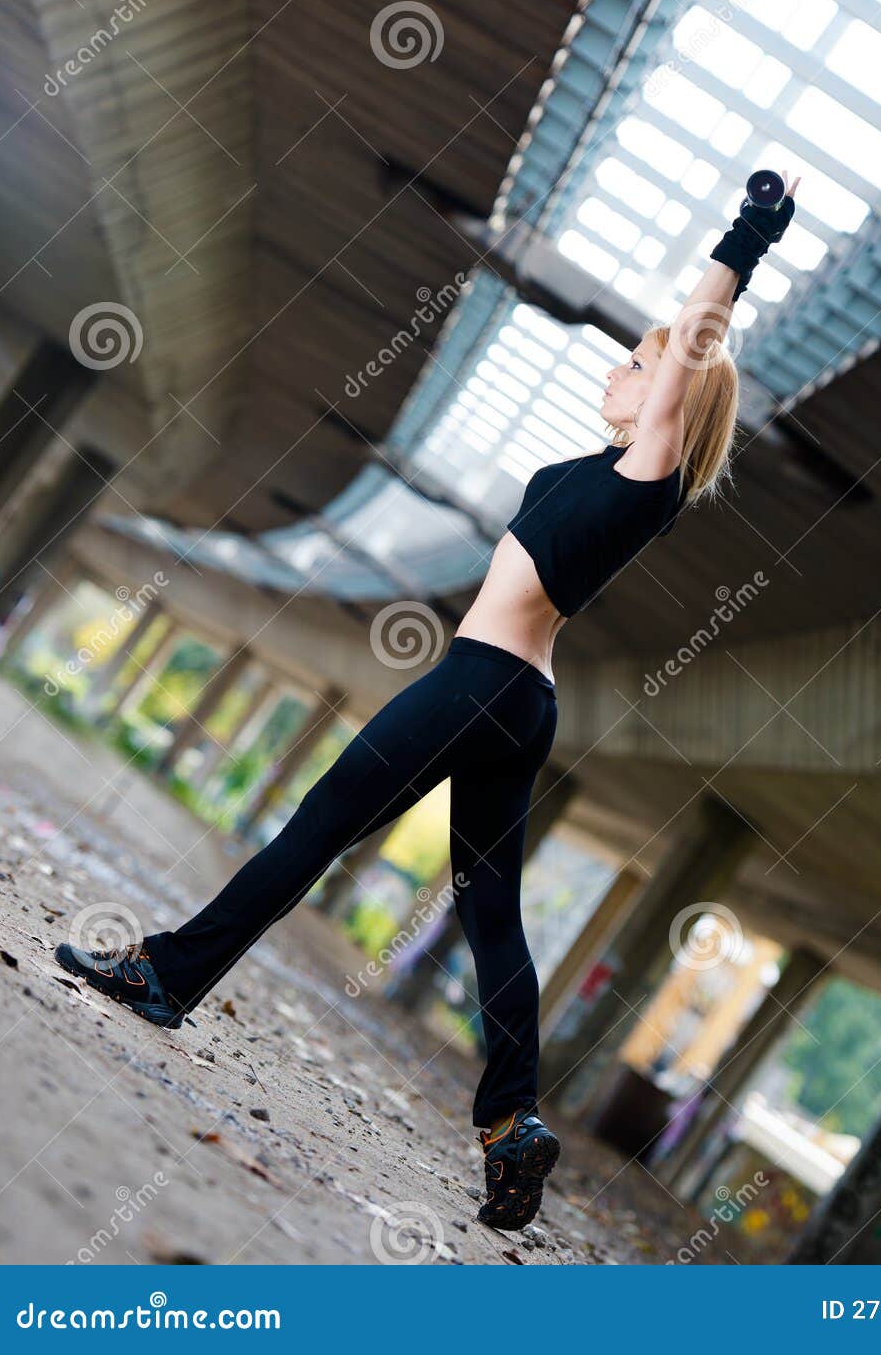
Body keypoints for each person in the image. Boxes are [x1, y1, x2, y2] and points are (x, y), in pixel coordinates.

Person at [55, 173, 801, 1231]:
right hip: (520, 703)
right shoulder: (623, 471)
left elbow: (695, 337)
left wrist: (753, 231)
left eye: (636, 362)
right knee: (491, 913)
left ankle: (166, 977)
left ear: (672, 392)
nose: (621, 367)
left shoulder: (653, 462)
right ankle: (512, 1126)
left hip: (476, 681)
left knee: (317, 827)